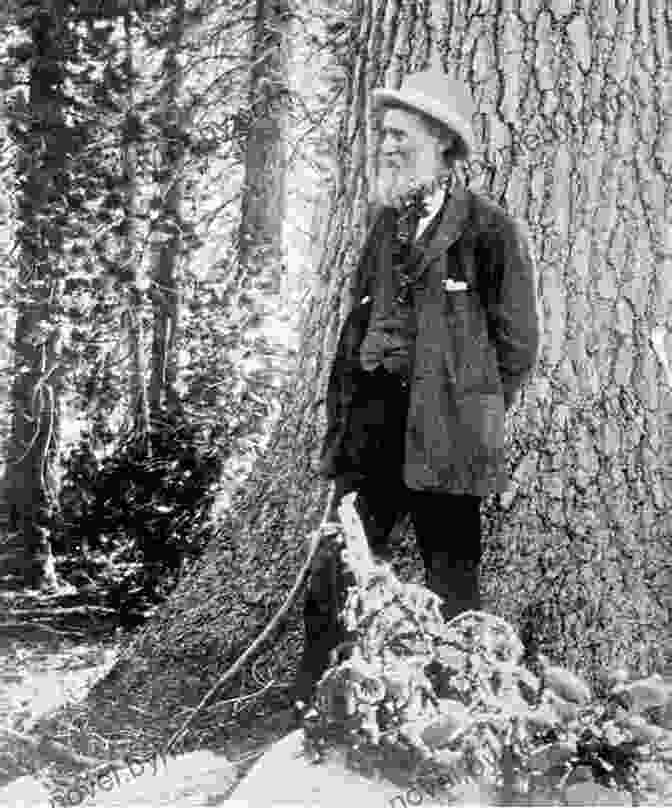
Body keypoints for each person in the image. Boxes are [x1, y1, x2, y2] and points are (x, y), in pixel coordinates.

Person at [293, 68, 540, 709]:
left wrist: (469, 408)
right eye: (384, 134)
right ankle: (316, 701)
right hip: (371, 427)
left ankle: (458, 714)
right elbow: (356, 322)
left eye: (402, 134)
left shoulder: (491, 231)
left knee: (452, 579)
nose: (389, 145)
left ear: (443, 144)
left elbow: (518, 346)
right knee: (338, 569)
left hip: (447, 431)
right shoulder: (384, 225)